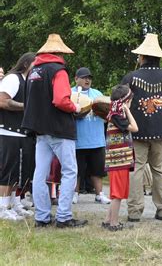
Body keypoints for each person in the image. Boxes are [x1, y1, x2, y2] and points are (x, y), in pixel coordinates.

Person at [22, 33, 88, 228]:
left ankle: (41, 217)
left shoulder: (34, 71)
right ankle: (63, 217)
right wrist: (75, 108)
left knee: (39, 173)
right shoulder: (58, 71)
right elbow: (60, 100)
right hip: (60, 128)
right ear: (58, 53)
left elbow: (28, 102)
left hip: (40, 130)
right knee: (69, 171)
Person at [121, 33, 162, 222]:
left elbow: (120, 101)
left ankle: (134, 212)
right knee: (159, 169)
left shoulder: (131, 77)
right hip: (161, 131)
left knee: (136, 169)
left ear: (142, 57)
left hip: (136, 131)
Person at [0, 52, 36, 221]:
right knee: (7, 171)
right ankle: (2, 206)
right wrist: (27, 106)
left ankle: (14, 203)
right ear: (27, 63)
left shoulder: (26, 81)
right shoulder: (13, 78)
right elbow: (2, 100)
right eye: (36, 64)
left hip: (21, 133)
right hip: (8, 132)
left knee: (17, 172)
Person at [71, 67, 111, 205]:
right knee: (76, 170)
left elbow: (107, 115)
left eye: (89, 77)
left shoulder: (97, 94)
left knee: (97, 170)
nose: (87, 80)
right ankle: (74, 194)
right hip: (77, 139)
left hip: (96, 139)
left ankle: (99, 194)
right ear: (76, 79)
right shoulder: (70, 93)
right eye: (84, 77)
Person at [103, 84, 138, 231]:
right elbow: (135, 128)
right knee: (117, 194)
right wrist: (128, 111)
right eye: (129, 100)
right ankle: (114, 223)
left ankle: (107, 220)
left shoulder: (114, 115)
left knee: (117, 192)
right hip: (118, 160)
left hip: (118, 160)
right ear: (125, 102)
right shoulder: (117, 117)